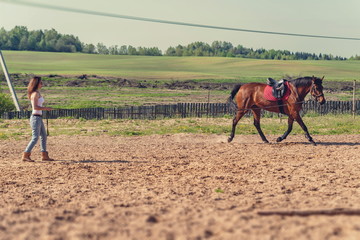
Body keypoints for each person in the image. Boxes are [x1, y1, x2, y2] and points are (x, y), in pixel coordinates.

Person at [21, 76, 54, 162]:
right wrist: (46, 108)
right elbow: (35, 107)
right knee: (35, 137)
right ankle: (26, 154)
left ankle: (44, 155)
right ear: (36, 83)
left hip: (38, 117)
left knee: (43, 136)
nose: (42, 84)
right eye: (40, 83)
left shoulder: (37, 93)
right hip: (36, 117)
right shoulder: (35, 94)